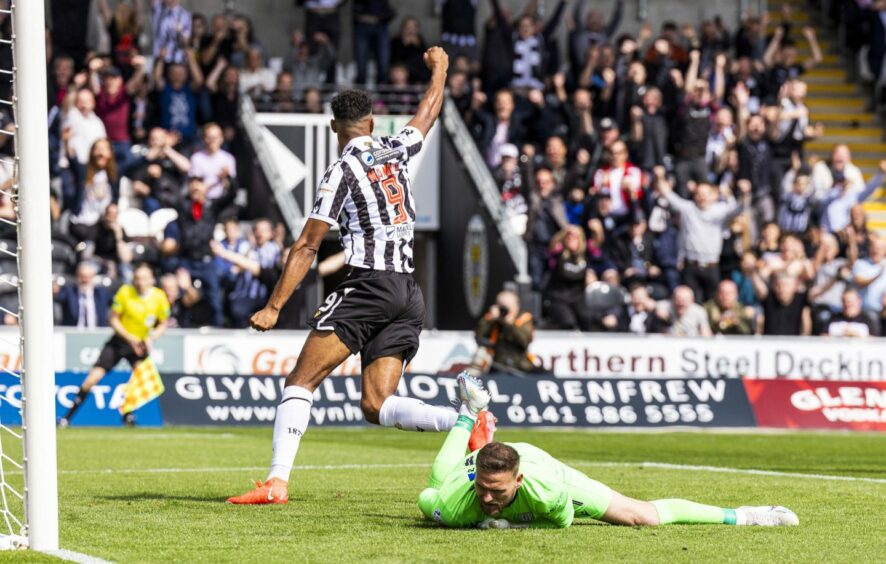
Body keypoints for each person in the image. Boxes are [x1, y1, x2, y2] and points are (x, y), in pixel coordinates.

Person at [227, 47, 477, 505]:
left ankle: (276, 483)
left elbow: (306, 245)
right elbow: (428, 110)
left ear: (332, 128)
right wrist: (440, 69)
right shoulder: (398, 148)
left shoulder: (341, 171)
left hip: (369, 285)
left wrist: (273, 307)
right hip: (407, 290)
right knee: (375, 404)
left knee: (301, 381)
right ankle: (467, 422)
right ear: (373, 123)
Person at [417, 384, 799, 529]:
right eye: (483, 490)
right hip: (465, 472)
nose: (486, 499)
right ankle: (469, 413)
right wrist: (484, 504)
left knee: (642, 517)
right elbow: (427, 498)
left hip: (540, 462)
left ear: (517, 482)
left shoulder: (547, 489)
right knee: (436, 478)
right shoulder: (456, 506)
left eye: (495, 492)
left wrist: (510, 525)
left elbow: (561, 521)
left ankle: (747, 515)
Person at [58, 263, 170, 427]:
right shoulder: (125, 292)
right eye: (137, 278)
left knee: (142, 380)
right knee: (92, 379)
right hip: (120, 342)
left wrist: (151, 338)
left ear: (152, 279)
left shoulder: (159, 297)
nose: (140, 282)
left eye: (144, 278)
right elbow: (113, 319)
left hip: (139, 345)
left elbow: (163, 323)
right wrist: (129, 338)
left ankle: (128, 415)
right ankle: (67, 418)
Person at [471, 290, 537, 375]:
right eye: (501, 305)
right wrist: (490, 320)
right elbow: (479, 337)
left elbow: (524, 340)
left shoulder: (524, 318)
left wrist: (509, 324)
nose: (504, 309)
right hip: (497, 365)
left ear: (516, 306)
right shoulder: (492, 319)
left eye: (508, 305)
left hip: (521, 366)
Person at [53, 261, 113, 328]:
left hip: (98, 335)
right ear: (76, 276)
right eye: (81, 276)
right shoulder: (69, 292)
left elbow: (116, 304)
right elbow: (57, 296)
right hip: (73, 334)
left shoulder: (102, 293)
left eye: (88, 277)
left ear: (93, 277)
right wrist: (55, 291)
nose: (85, 280)